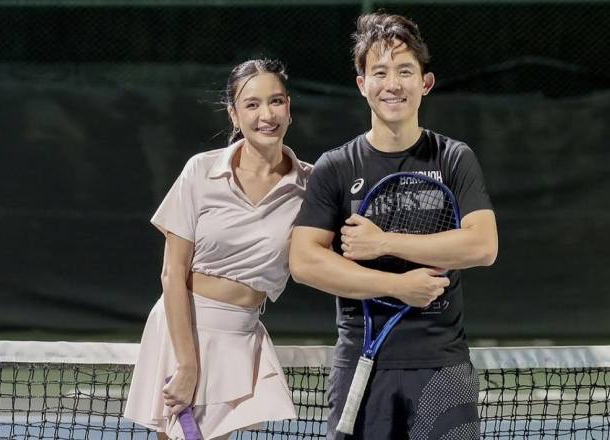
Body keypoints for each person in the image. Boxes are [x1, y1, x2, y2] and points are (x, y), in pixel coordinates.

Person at [289, 12, 498, 440]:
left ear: (425, 82)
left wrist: (384, 242)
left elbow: (482, 246)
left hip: (442, 365)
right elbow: (304, 262)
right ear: (362, 84)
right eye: (380, 72)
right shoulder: (336, 166)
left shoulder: (453, 158)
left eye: (405, 71)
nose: (393, 84)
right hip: (361, 363)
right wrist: (397, 286)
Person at [124, 59, 312, 440]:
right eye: (252, 104)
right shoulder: (200, 171)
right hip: (182, 329)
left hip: (241, 333)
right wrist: (187, 364)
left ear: (289, 108)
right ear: (234, 115)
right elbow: (172, 273)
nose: (266, 115)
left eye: (276, 101)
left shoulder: (311, 185)